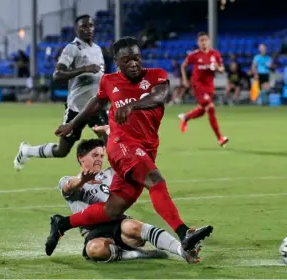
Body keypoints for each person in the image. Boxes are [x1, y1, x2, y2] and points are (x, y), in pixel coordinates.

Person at [44, 36, 213, 257]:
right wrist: (72, 124)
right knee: (155, 181)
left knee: (113, 209)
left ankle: (62, 224)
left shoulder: (156, 75)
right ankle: (184, 233)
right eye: (127, 60)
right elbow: (96, 103)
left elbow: (159, 97)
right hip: (121, 144)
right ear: (117, 61)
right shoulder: (109, 81)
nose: (134, 63)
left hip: (145, 147)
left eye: (137, 58)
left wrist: (133, 105)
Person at [58, 137, 201, 263]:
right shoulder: (68, 180)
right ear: (81, 158)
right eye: (94, 155)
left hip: (120, 225)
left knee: (132, 227)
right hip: (94, 233)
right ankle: (136, 254)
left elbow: (121, 153)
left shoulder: (110, 173)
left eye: (101, 156)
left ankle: (182, 251)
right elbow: (68, 187)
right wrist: (83, 180)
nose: (99, 159)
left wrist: (108, 133)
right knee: (95, 249)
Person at [13, 15, 106, 170]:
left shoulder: (97, 49)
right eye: (83, 26)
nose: (87, 29)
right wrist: (84, 69)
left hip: (95, 106)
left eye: (90, 25)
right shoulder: (72, 48)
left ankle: (114, 181)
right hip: (77, 107)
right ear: (76, 29)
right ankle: (26, 151)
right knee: (61, 151)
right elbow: (57, 74)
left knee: (112, 140)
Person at [178, 32, 228, 147]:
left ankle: (185, 117)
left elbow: (222, 69)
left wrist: (218, 68)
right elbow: (183, 65)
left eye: (205, 40)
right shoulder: (194, 55)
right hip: (198, 85)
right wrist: (185, 80)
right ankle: (220, 138)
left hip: (209, 86)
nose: (203, 42)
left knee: (202, 111)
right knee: (210, 107)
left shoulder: (215, 54)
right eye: (201, 40)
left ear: (209, 41)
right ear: (198, 42)